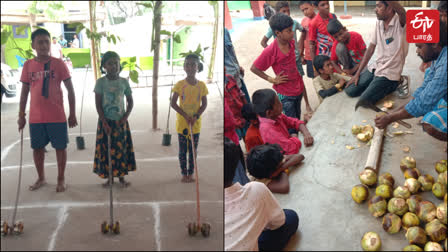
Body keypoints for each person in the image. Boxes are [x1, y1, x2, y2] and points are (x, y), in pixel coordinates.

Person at [18, 28, 77, 192]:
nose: (44, 45)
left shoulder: (59, 64)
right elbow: (24, 93)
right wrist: (21, 115)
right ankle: (41, 177)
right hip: (36, 118)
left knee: (60, 148)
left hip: (56, 116)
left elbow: (70, 90)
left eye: (46, 41)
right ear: (33, 45)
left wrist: (72, 114)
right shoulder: (28, 65)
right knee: (37, 149)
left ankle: (61, 178)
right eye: (40, 42)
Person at [375, 21, 447, 142]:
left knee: (429, 123)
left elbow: (423, 103)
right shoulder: (438, 57)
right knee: (429, 74)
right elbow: (423, 91)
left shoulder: (445, 65)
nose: (417, 52)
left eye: (419, 46)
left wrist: (390, 118)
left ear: (434, 43)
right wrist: (393, 113)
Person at [224, 137, 299, 251]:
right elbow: (279, 222)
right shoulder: (256, 188)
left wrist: (279, 168)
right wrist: (282, 169)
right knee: (290, 216)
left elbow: (299, 156)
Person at [251, 13, 313, 132]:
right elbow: (254, 68)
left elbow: (295, 54)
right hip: (286, 95)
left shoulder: (291, 42)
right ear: (278, 33)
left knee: (297, 117)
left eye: (292, 29)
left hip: (298, 89)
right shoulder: (271, 50)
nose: (292, 33)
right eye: (289, 31)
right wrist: (272, 79)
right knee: (292, 125)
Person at [346, 1, 409, 106]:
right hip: (377, 67)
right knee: (351, 91)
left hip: (390, 73)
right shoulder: (379, 23)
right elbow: (370, 49)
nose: (375, 9)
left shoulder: (401, 22)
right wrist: (357, 74)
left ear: (389, 8)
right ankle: (377, 83)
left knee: (364, 101)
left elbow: (402, 12)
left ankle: (398, 81)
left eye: (379, 6)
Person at [93, 51, 136, 187]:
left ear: (119, 65)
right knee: (107, 150)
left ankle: (121, 177)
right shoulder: (100, 83)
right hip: (105, 122)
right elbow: (98, 105)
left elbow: (130, 102)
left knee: (121, 149)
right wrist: (104, 122)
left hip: (120, 122)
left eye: (115, 63)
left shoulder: (124, 82)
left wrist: (125, 117)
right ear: (104, 66)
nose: (113, 66)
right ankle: (110, 177)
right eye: (110, 63)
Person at [170, 54, 208, 183]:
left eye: (193, 64)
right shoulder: (180, 85)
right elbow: (173, 103)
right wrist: (186, 116)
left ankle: (191, 173)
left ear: (198, 67)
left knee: (192, 150)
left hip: (195, 125)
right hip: (183, 124)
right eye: (187, 64)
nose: (190, 67)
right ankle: (183, 173)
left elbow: (204, 104)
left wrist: (196, 116)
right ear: (184, 67)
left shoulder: (201, 85)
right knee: (183, 151)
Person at [252, 89, 314, 155]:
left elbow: (295, 122)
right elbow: (291, 148)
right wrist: (294, 136)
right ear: (269, 112)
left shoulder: (276, 116)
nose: (281, 103)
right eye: (278, 103)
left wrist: (306, 133)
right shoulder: (268, 130)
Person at [260, 1, 306, 78]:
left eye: (288, 10)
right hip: (284, 61)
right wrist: (274, 55)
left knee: (299, 77)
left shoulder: (294, 23)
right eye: (284, 11)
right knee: (286, 80)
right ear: (277, 13)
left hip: (296, 57)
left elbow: (304, 31)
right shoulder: (275, 27)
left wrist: (300, 46)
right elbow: (263, 42)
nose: (287, 13)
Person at [298, 0, 317, 79]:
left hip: (320, 54)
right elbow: (302, 38)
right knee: (314, 78)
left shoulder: (319, 19)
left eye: (306, 8)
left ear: (313, 6)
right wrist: (301, 54)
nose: (305, 12)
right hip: (309, 56)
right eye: (303, 10)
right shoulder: (304, 21)